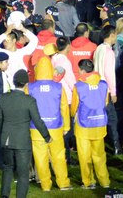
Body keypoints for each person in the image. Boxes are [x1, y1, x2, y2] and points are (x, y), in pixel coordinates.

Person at [0, 69, 51, 198]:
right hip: (23, 142)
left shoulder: (4, 98)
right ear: (26, 84)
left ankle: (4, 195)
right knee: (23, 173)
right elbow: (38, 121)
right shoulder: (29, 101)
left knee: (7, 169)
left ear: (13, 82)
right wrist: (47, 136)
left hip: (6, 140)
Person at [28, 56, 72, 191]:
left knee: (40, 157)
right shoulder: (59, 87)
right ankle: (63, 183)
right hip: (55, 126)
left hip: (36, 128)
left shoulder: (30, 87)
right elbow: (64, 108)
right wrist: (66, 126)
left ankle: (45, 184)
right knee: (58, 156)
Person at [72, 58, 111, 189]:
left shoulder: (79, 86)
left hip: (83, 126)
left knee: (84, 156)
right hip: (99, 124)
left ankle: (89, 182)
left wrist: (73, 116)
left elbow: (74, 108)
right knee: (100, 155)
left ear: (82, 70)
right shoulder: (103, 84)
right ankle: (104, 181)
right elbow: (105, 102)